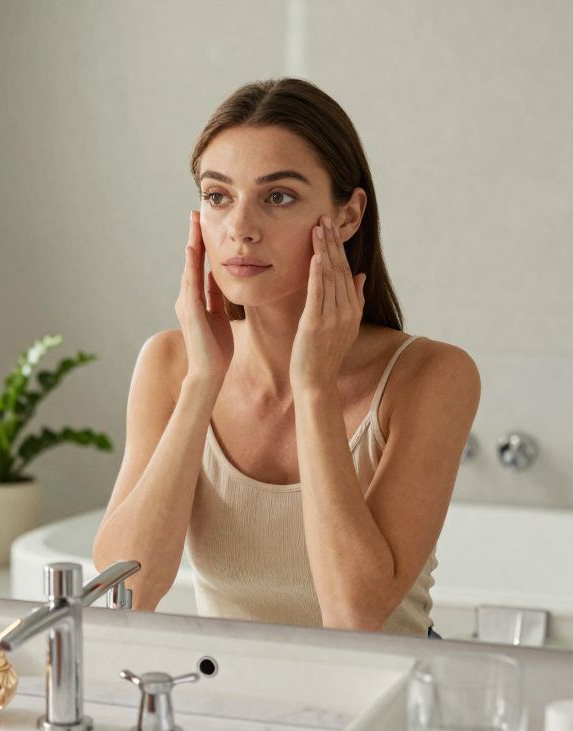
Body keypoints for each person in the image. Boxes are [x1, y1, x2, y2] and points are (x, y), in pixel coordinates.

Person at [92, 78, 480, 638]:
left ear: (347, 217)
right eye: (218, 196)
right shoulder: (170, 364)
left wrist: (315, 387)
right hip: (225, 698)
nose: (240, 230)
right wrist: (203, 382)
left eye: (278, 197)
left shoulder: (432, 376)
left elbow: (354, 614)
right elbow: (123, 592)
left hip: (385, 708)